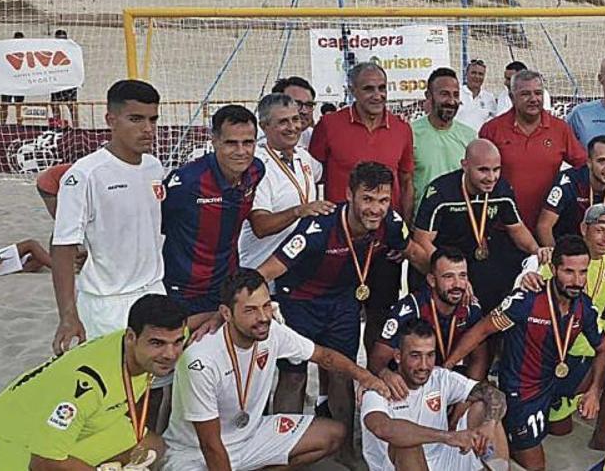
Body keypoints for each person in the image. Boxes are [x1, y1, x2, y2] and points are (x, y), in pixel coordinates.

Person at [256, 161, 421, 462]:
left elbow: (416, 254)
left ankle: (345, 451)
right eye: (367, 199)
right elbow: (267, 270)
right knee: (293, 376)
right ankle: (279, 453)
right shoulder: (319, 227)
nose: (375, 209)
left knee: (342, 373)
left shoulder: (391, 223)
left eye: (383, 200)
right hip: (300, 303)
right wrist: (232, 305)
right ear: (349, 194)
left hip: (343, 302)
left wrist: (449, 276)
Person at [163, 269, 390, 470]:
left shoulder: (272, 331)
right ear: (226, 313)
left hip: (250, 435)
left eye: (266, 306)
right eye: (250, 310)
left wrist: (367, 378)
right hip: (195, 452)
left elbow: (324, 356)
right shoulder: (200, 359)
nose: (263, 317)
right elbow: (210, 445)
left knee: (332, 435)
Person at [443, 235, 605, 471]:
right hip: (524, 391)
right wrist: (447, 367)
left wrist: (595, 391)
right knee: (536, 466)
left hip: (556, 378)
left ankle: (601, 434)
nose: (577, 280)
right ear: (553, 269)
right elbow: (481, 331)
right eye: (568, 272)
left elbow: (604, 348)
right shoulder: (526, 300)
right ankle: (507, 437)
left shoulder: (584, 306)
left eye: (583, 272)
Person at [0, 294, 186, 469]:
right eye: (157, 343)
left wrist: (213, 316)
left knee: (153, 446)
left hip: (90, 421)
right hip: (13, 444)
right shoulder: (87, 383)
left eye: (177, 342)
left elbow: (184, 330)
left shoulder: (140, 346)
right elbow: (44, 461)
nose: (170, 354)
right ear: (130, 337)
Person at [517, 205, 605, 450]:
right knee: (559, 429)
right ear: (584, 229)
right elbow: (530, 288)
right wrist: (528, 277)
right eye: (599, 230)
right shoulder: (565, 257)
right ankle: (571, 394)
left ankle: (604, 430)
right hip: (561, 345)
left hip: (597, 335)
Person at [309, 61, 416, 355]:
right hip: (338, 240)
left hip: (382, 243)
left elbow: (406, 182)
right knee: (334, 320)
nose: (377, 95)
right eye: (368, 88)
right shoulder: (329, 126)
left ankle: (372, 384)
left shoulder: (402, 129)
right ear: (352, 90)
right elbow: (312, 176)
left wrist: (401, 233)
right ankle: (325, 397)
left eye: (382, 88)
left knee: (380, 315)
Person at [51, 80, 165, 354]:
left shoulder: (154, 166)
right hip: (107, 302)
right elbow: (63, 247)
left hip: (153, 291)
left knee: (155, 387)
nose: (147, 129)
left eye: (153, 119)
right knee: (113, 391)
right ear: (111, 120)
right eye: (136, 119)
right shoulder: (85, 175)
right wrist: (68, 315)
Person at [161, 105, 264, 328]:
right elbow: (154, 225)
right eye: (231, 143)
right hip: (185, 289)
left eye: (248, 142)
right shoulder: (186, 182)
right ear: (214, 141)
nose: (241, 151)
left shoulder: (256, 171)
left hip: (226, 285)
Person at [362, 319, 511, 471]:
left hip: (445, 462)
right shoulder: (378, 390)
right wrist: (447, 436)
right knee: (406, 447)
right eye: (415, 356)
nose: (424, 365)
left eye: (430, 355)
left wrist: (490, 424)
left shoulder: (440, 377)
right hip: (401, 466)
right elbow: (383, 428)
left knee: (484, 408)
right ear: (398, 356)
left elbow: (495, 394)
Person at [411, 139, 542, 312]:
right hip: (440, 259)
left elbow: (517, 229)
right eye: (483, 170)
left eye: (496, 170)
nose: (491, 177)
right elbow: (422, 240)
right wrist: (455, 275)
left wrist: (537, 252)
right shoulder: (441, 191)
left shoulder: (501, 189)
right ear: (465, 165)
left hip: (477, 258)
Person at [479, 68, 587, 231]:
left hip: (548, 227)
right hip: (502, 226)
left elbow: (584, 166)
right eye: (525, 94)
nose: (533, 99)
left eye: (538, 93)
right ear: (511, 97)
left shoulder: (560, 128)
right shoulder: (492, 130)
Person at [369, 247, 488, 389]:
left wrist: (466, 396)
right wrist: (386, 375)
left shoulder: (470, 308)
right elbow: (377, 359)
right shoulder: (410, 308)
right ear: (432, 280)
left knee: (486, 401)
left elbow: (479, 359)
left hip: (448, 381)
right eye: (448, 277)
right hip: (410, 384)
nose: (457, 284)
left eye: (462, 276)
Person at [238, 93, 334, 269]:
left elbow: (330, 172)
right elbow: (260, 226)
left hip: (298, 268)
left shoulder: (303, 156)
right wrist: (298, 211)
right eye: (283, 122)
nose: (292, 127)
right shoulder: (256, 167)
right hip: (262, 271)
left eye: (295, 119)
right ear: (264, 126)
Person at [536, 134, 605, 248]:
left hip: (604, 247)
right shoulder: (568, 182)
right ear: (589, 162)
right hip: (570, 249)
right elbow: (543, 227)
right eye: (601, 161)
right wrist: (557, 258)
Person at [411, 67, 477, 213]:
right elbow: (405, 184)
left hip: (461, 224)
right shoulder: (411, 134)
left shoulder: (470, 136)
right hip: (423, 226)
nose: (452, 101)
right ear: (429, 95)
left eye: (456, 95)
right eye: (444, 94)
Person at [271, 76, 318, 149]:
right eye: (296, 104)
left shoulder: (314, 138)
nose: (304, 111)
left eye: (309, 105)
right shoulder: (256, 143)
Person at [456, 59, 499, 131]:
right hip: (456, 139)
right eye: (473, 73)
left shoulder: (489, 98)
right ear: (466, 74)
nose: (477, 77)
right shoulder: (457, 93)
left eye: (480, 74)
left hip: (479, 140)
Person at [49, 29, 79, 128]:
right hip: (57, 81)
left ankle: (76, 127)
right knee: (54, 104)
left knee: (72, 105)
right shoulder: (51, 51)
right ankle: (58, 125)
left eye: (63, 39)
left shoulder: (72, 50)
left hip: (69, 81)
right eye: (59, 39)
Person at [0, 31, 26, 123]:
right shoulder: (7, 51)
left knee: (19, 105)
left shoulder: (26, 53)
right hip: (8, 82)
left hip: (20, 81)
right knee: (4, 104)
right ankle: (2, 124)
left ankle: (19, 125)